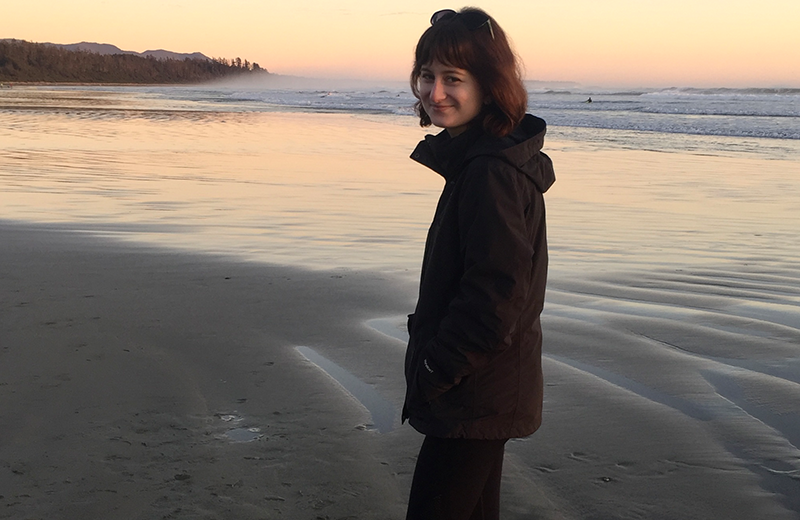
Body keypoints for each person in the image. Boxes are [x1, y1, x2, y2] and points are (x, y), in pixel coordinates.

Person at [402, 7, 555, 520]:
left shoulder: (490, 171)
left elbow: (496, 295)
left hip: (473, 390)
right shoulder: (483, 160)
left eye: (453, 78)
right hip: (484, 388)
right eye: (427, 75)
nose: (435, 92)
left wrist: (435, 368)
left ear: (489, 86)